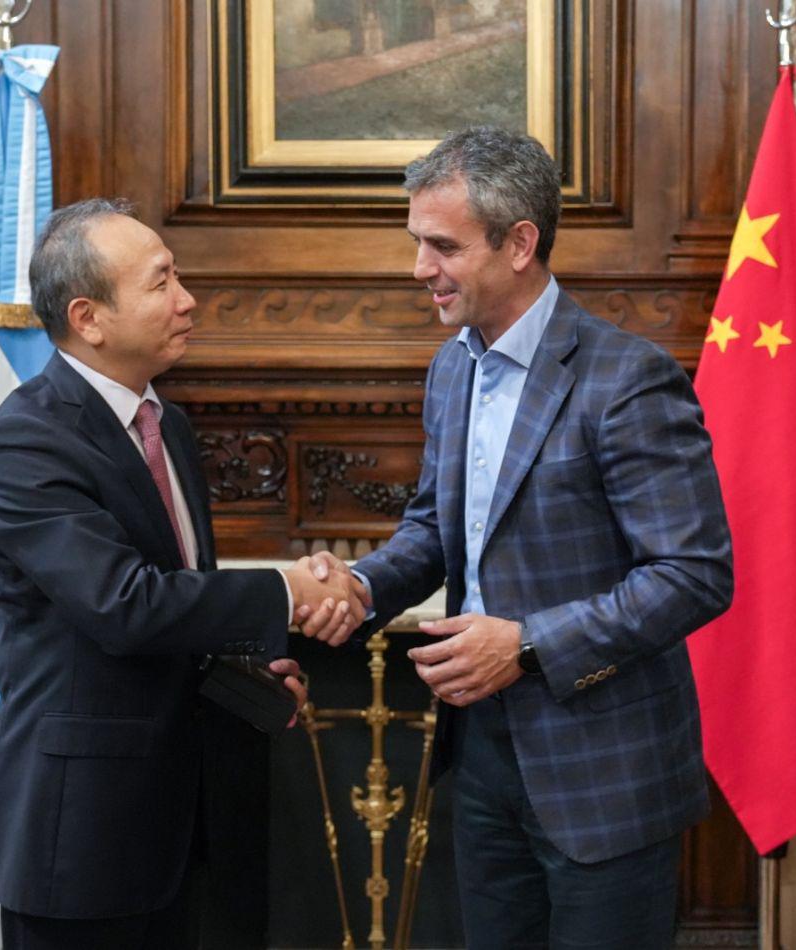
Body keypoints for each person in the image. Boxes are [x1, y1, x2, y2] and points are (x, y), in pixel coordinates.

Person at [305, 127, 733, 948]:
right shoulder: (452, 367)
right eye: (416, 243)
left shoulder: (627, 378)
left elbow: (693, 574)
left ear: (520, 244)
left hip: (605, 771)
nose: (418, 268)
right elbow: (437, 528)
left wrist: (529, 644)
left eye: (441, 246)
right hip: (484, 756)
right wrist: (359, 587)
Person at [0, 197, 365, 949]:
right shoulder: (27, 440)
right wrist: (289, 589)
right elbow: (125, 604)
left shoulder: (168, 425)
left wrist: (251, 668)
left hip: (194, 822)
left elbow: (181, 604)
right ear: (89, 317)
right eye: (160, 283)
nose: (187, 300)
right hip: (83, 835)